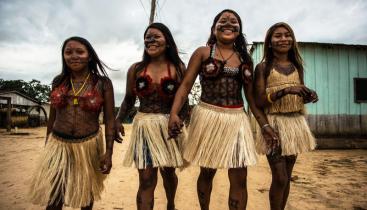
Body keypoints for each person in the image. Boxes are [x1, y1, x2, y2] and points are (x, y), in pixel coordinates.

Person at [168, 9, 276, 210]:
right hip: (208, 116)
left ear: (239, 29)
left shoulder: (245, 58)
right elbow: (185, 86)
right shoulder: (202, 52)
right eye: (223, 20)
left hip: (237, 119)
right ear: (213, 28)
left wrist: (265, 125)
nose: (228, 23)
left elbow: (251, 99)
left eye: (234, 21)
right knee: (207, 172)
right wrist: (174, 113)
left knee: (239, 176)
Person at [29, 36, 116, 210]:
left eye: (80, 51)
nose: (74, 56)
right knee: (55, 195)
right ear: (63, 56)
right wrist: (48, 146)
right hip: (59, 145)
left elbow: (109, 120)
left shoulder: (102, 83)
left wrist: (108, 153)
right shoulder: (58, 81)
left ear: (89, 56)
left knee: (85, 195)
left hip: (88, 146)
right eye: (68, 52)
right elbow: (52, 118)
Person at [115, 22, 187, 210]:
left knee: (169, 173)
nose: (151, 40)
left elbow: (184, 101)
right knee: (146, 180)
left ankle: (171, 205)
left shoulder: (178, 68)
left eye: (156, 36)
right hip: (145, 127)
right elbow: (129, 99)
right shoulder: (136, 69)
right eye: (148, 37)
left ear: (168, 42)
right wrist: (117, 120)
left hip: (168, 126)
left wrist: (179, 123)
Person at [253, 22, 318, 210]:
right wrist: (286, 90)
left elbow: (298, 97)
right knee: (280, 177)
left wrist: (308, 95)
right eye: (278, 36)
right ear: (270, 42)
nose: (283, 39)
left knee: (287, 177)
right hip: (274, 124)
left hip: (295, 125)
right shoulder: (263, 67)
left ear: (293, 39)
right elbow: (259, 101)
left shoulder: (297, 66)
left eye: (287, 35)